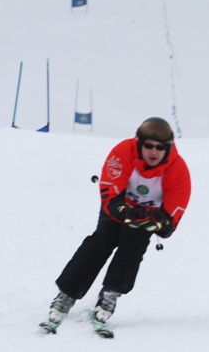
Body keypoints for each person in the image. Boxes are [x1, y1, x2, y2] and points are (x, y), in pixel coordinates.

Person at [42, 117, 191, 331]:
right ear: (139, 143)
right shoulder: (123, 151)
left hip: (148, 216)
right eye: (148, 146)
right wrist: (123, 210)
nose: (154, 152)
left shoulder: (178, 170)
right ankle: (66, 294)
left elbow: (174, 213)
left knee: (133, 246)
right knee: (101, 242)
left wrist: (160, 223)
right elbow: (109, 193)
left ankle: (111, 293)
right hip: (119, 208)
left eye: (160, 148)